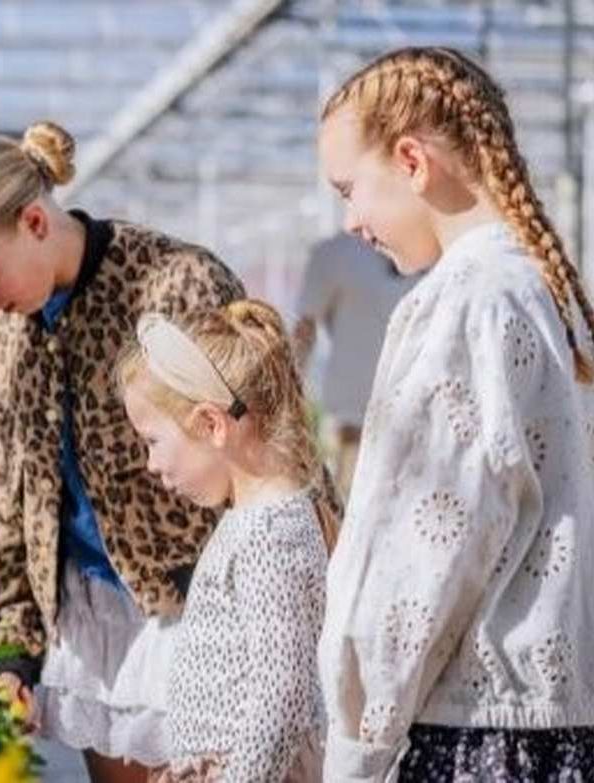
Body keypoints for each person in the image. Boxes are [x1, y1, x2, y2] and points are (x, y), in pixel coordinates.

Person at [0, 120, 245, 781]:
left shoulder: (176, 287)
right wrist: (12, 654)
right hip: (94, 617)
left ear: (34, 221)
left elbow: (261, 459)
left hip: (204, 614)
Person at [316, 46, 594, 781]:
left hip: (476, 737)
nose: (350, 221)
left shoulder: (467, 303)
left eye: (350, 190)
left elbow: (421, 552)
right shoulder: (548, 291)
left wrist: (358, 743)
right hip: (555, 730)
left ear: (412, 161)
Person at [118, 300, 335, 783]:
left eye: (152, 441)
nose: (150, 464)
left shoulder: (270, 535)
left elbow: (282, 699)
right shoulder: (252, 521)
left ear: (212, 424)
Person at [293, 232, 417, 499]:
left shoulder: (427, 253)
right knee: (347, 506)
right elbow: (305, 330)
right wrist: (286, 400)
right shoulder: (334, 254)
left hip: (414, 428)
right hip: (350, 426)